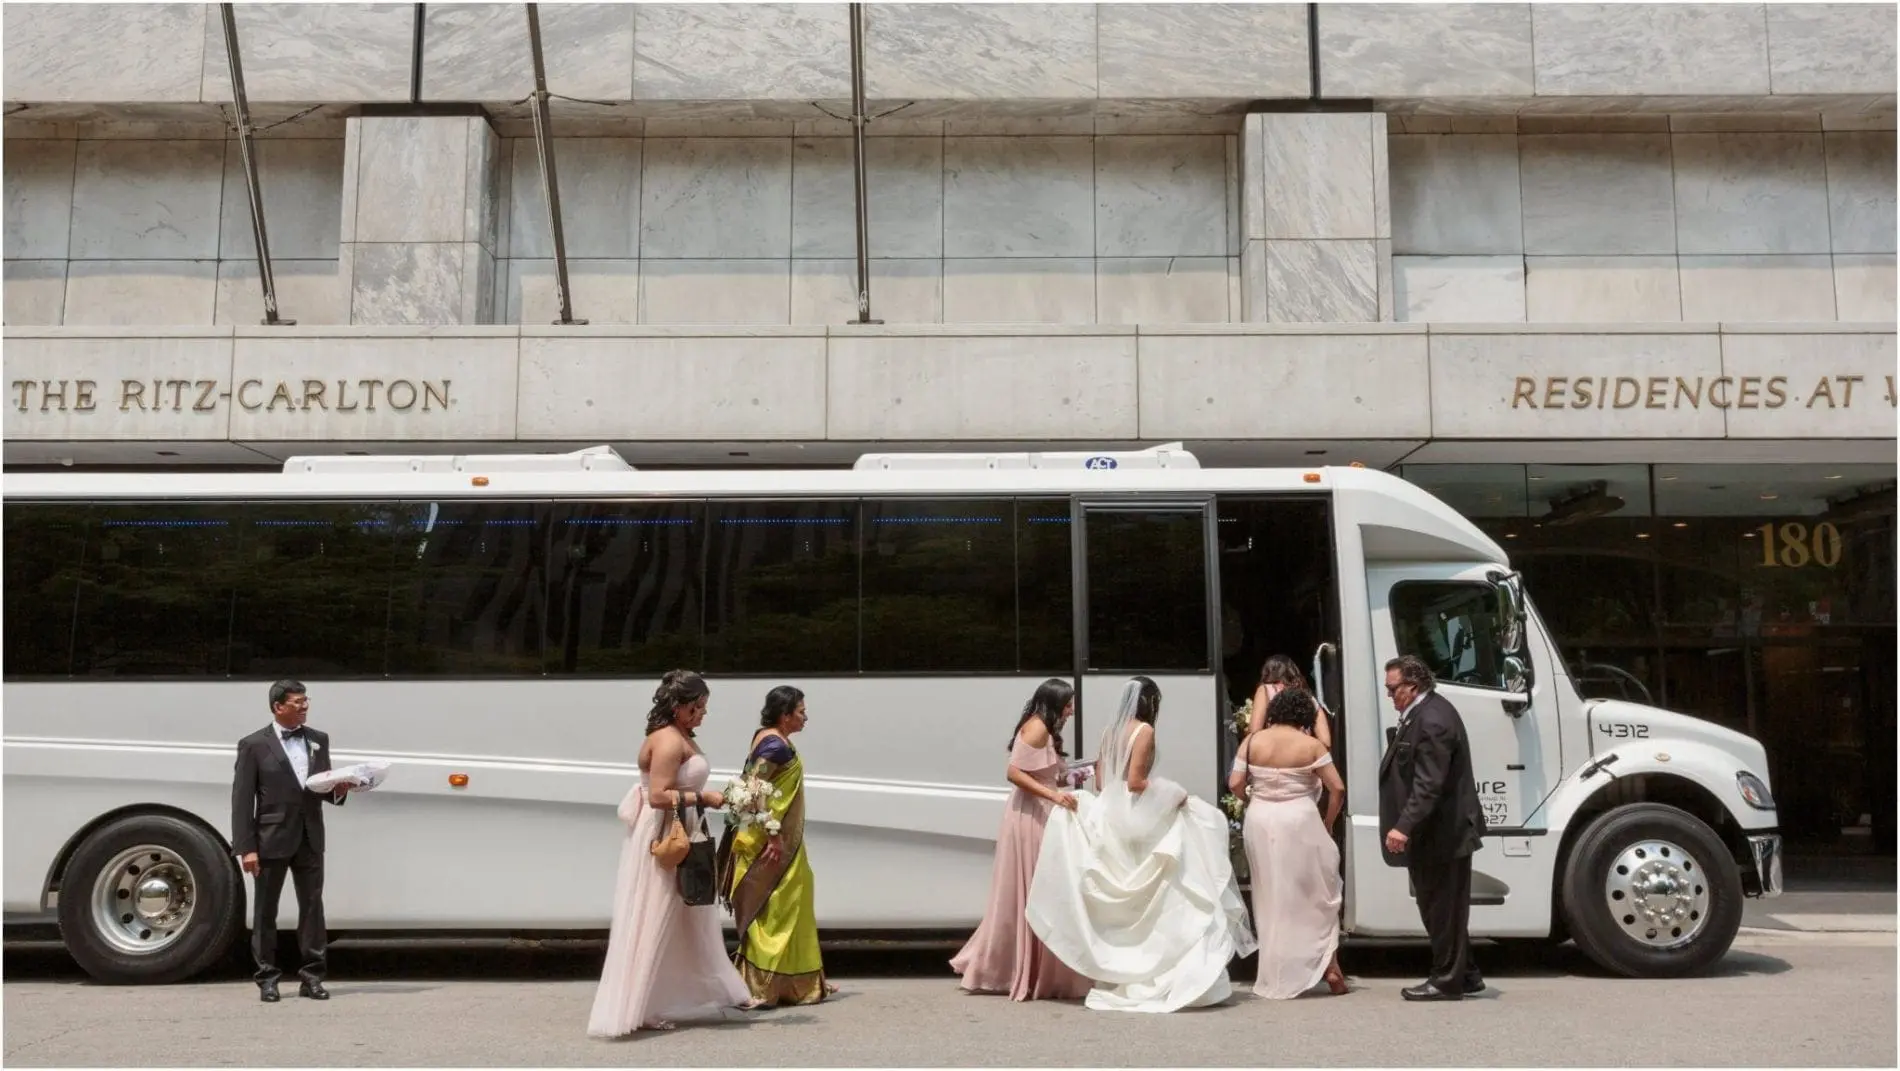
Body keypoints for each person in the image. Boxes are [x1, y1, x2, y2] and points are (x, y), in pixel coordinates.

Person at [1027, 676, 1257, 1012]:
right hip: (1135, 816)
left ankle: (1125, 967)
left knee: (1133, 901)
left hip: (1109, 814)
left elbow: (1105, 781)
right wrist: (1172, 794)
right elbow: (1136, 783)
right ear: (1150, 703)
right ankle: (1162, 967)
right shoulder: (1144, 731)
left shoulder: (1109, 732)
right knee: (1172, 885)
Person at [588, 670, 764, 1035]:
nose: (703, 713)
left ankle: (725, 990)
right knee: (658, 915)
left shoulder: (678, 735)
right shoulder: (668, 741)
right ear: (680, 706)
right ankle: (644, 1005)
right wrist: (705, 797)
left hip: (682, 827)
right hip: (667, 833)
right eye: (699, 706)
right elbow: (656, 795)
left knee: (691, 916)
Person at [950, 678, 1093, 1001]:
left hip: (1039, 811)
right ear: (1055, 703)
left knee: (1042, 886)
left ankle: (1033, 965)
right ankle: (1020, 968)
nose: (1071, 711)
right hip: (1031, 816)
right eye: (1068, 704)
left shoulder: (1045, 729)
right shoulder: (1037, 728)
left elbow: (1047, 772)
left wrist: (1076, 774)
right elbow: (1014, 772)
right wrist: (1054, 797)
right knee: (1038, 886)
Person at [231, 679, 351, 1003]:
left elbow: (320, 786)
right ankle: (267, 978)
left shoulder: (318, 740)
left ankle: (312, 976)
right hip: (270, 839)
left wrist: (339, 790)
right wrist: (246, 847)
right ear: (278, 707)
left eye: (305, 700)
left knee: (312, 909)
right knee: (265, 911)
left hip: (310, 837)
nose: (304, 706)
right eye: (297, 702)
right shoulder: (253, 745)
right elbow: (242, 801)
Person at [718, 685, 838, 1006]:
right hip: (769, 844)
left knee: (790, 903)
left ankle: (796, 980)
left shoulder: (770, 738)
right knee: (775, 907)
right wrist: (772, 835)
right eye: (801, 712)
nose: (805, 717)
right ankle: (762, 986)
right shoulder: (774, 744)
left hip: (777, 839)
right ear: (785, 716)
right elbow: (755, 790)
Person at [1377, 655, 1487, 1001]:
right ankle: (1465, 974)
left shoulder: (1434, 719)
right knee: (1441, 908)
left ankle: (1445, 981)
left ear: (1413, 686)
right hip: (1434, 833)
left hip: (1443, 832)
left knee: (1442, 910)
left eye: (1393, 689)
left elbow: (1429, 784)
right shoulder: (1421, 715)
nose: (1390, 695)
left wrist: (1403, 826)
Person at [1229, 685, 1348, 998]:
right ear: (1305, 716)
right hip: (1300, 819)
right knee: (1316, 892)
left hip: (1261, 819)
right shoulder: (1311, 746)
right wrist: (1328, 821)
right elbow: (1337, 788)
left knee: (1270, 894)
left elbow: (1235, 783)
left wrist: (1254, 798)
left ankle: (1277, 970)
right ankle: (1330, 966)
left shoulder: (1252, 741)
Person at [1247, 654, 1332, 749]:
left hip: (1275, 753)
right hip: (1303, 755)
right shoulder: (1308, 697)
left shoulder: (1265, 690)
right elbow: (1326, 742)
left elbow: (1254, 731)